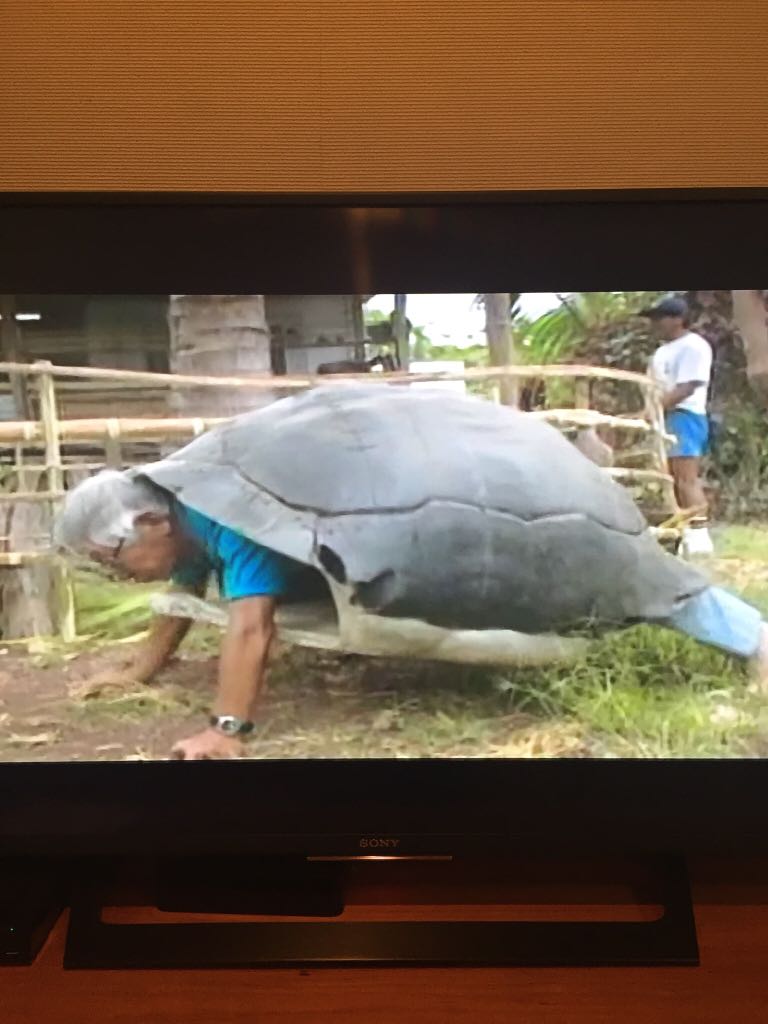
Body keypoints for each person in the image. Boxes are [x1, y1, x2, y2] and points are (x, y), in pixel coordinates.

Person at [54, 471, 310, 761]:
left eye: (110, 556)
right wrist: (138, 672)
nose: (115, 571)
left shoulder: (230, 518)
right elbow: (184, 590)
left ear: (153, 522)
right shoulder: (186, 524)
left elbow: (251, 626)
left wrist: (225, 731)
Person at [642, 295, 714, 555]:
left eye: (660, 318)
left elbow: (687, 386)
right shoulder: (661, 352)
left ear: (677, 320)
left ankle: (699, 534)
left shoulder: (694, 346)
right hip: (664, 417)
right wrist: (650, 412)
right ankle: (681, 532)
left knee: (686, 477)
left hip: (685, 415)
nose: (655, 324)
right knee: (670, 477)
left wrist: (653, 410)